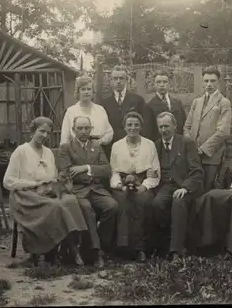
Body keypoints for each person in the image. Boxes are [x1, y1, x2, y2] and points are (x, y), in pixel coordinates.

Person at [3, 117, 87, 265]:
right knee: (54, 207)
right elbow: (8, 181)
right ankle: (47, 251)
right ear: (32, 131)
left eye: (48, 133)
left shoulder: (48, 152)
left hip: (45, 192)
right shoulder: (21, 151)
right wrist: (34, 183)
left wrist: (58, 180)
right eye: (41, 131)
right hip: (24, 196)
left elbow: (52, 176)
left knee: (70, 201)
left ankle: (66, 247)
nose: (45, 136)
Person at [57, 116, 119, 268]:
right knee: (86, 208)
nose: (83, 131)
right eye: (80, 128)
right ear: (73, 130)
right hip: (76, 190)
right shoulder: (66, 148)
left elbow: (106, 170)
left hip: (96, 189)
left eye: (86, 128)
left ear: (91, 129)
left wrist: (85, 168)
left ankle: (100, 245)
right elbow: (67, 172)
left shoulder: (96, 147)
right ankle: (96, 252)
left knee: (112, 206)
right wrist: (92, 171)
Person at [148, 112, 204, 262]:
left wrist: (185, 188)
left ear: (175, 126)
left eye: (166, 126)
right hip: (166, 186)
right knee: (157, 204)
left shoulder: (186, 142)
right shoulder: (156, 145)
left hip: (186, 185)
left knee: (178, 203)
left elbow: (196, 170)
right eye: (160, 127)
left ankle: (176, 252)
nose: (164, 130)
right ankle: (168, 241)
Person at [109, 111, 160, 262]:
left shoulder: (150, 145)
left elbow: (155, 171)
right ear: (124, 127)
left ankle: (140, 249)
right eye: (129, 125)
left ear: (141, 127)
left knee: (141, 202)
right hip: (123, 184)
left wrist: (144, 186)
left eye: (136, 125)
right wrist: (119, 186)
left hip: (143, 183)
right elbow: (114, 171)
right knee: (123, 203)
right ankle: (123, 248)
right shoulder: (116, 146)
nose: (133, 128)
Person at [184, 66, 232, 193]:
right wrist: (191, 148)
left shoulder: (224, 102)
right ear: (202, 82)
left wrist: (203, 149)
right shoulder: (196, 102)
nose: (209, 84)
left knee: (207, 190)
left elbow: (223, 131)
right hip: (193, 156)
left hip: (211, 156)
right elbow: (187, 127)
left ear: (218, 82)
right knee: (192, 189)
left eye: (212, 81)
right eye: (206, 81)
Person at [101, 65, 152, 158]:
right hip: (112, 148)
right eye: (115, 78)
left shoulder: (138, 100)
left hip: (134, 146)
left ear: (127, 80)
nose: (118, 81)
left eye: (121, 78)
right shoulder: (104, 103)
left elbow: (146, 124)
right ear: (111, 81)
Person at [59, 76, 113, 149]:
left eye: (89, 89)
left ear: (92, 91)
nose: (86, 92)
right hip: (77, 151)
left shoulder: (100, 110)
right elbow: (65, 137)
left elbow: (109, 132)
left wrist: (101, 141)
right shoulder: (71, 111)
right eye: (83, 89)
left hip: (98, 149)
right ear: (78, 92)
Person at [146, 70, 187, 141]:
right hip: (160, 144)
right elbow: (149, 131)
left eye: (165, 82)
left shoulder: (177, 103)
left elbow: (184, 124)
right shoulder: (149, 106)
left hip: (179, 142)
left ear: (169, 84)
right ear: (154, 84)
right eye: (158, 82)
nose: (162, 85)